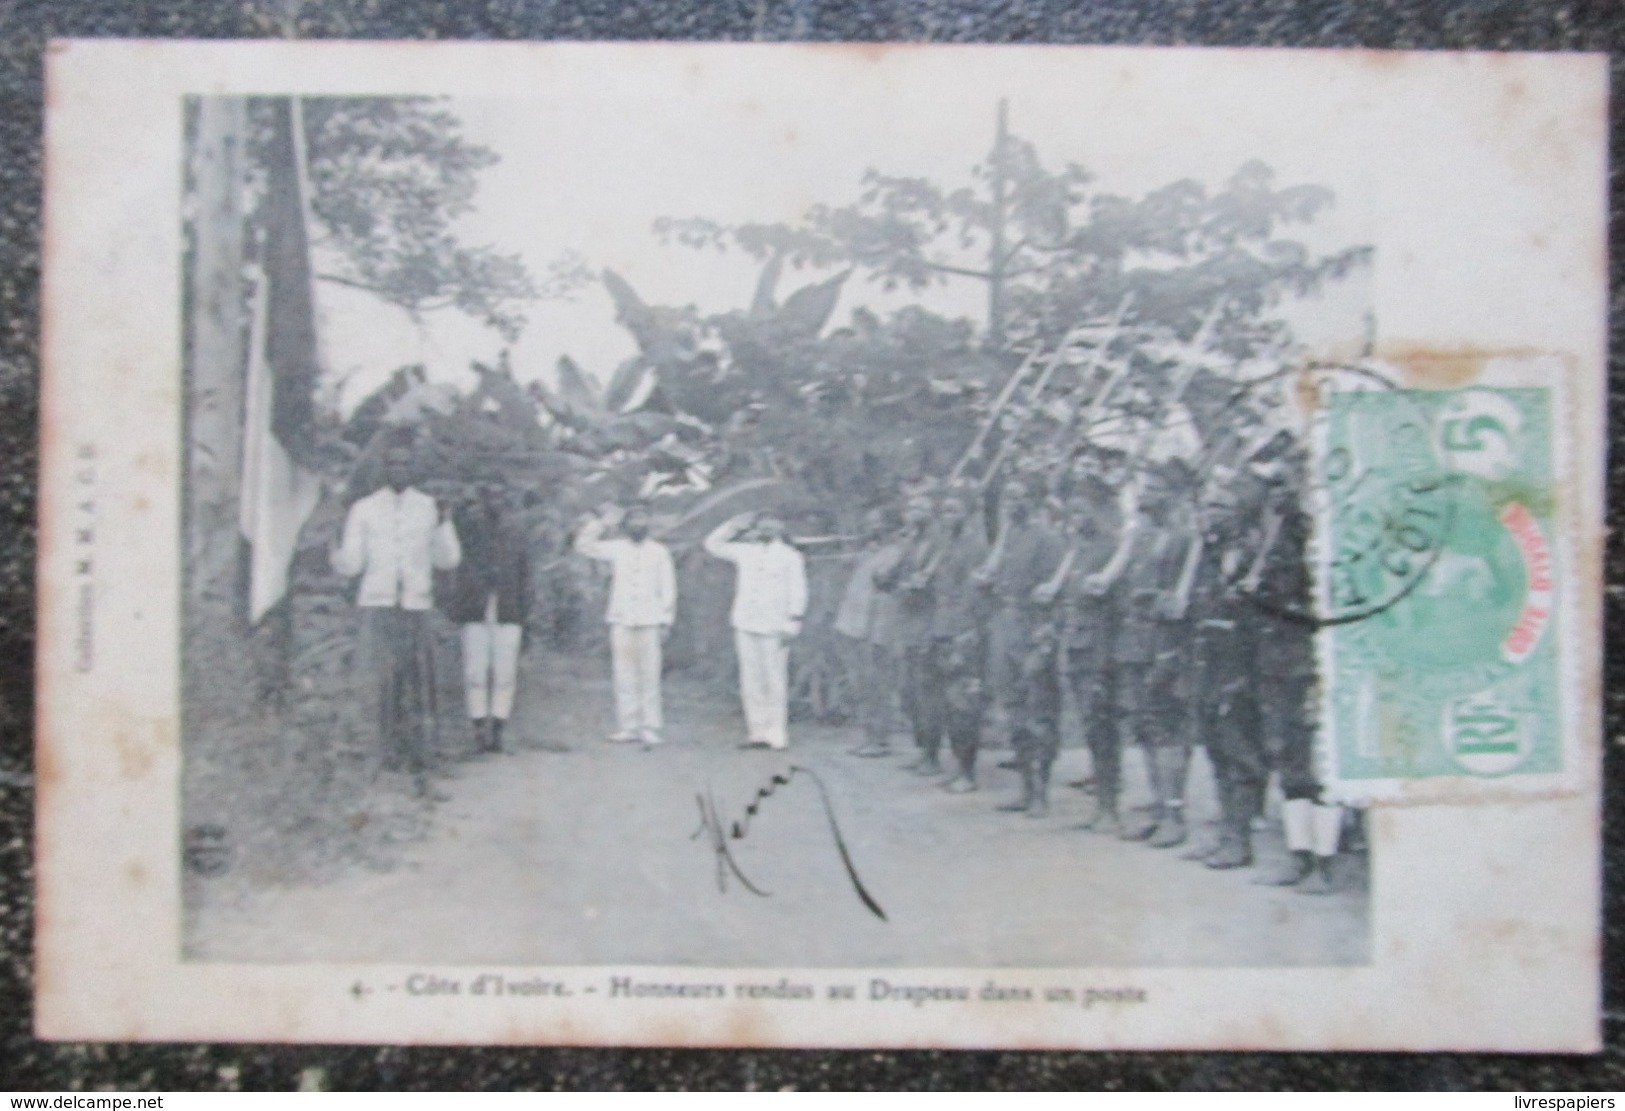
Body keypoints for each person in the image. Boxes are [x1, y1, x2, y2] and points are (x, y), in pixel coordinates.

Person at [331, 444, 462, 798]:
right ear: (384, 468)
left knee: (419, 686)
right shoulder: (365, 509)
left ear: (414, 468)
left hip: (416, 606)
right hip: (378, 605)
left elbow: (447, 560)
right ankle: (380, 763)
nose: (400, 469)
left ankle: (420, 766)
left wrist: (446, 521)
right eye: (393, 463)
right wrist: (336, 547)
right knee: (379, 684)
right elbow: (352, 564)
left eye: (406, 463)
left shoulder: (428, 507)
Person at [1244, 440, 1342, 895]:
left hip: (1315, 663)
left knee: (1321, 765)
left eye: (1287, 482)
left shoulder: (1325, 539)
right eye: (1274, 486)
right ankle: (1299, 856)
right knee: (1288, 761)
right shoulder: (1271, 539)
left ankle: (1324, 863)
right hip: (1277, 659)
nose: (1279, 494)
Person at [1104, 463, 1203, 846]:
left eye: (1154, 490)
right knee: (1145, 726)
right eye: (1144, 489)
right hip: (1135, 641)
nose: (1144, 496)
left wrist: (1169, 601)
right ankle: (1159, 807)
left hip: (1167, 644)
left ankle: (1175, 814)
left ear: (1172, 496)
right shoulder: (1139, 536)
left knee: (1169, 728)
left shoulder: (1186, 538)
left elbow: (1184, 599)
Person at [1033, 472, 1124, 832]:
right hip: (1076, 649)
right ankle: (1102, 806)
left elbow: (1114, 611)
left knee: (1102, 729)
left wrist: (1104, 663)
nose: (1076, 520)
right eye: (1072, 513)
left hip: (1099, 654)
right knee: (1091, 727)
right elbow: (1064, 601)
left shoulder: (1110, 549)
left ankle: (1109, 807)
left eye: (1083, 512)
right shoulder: (1077, 551)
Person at [975, 474, 1067, 817]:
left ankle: (1041, 793)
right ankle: (1025, 789)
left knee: (1038, 713)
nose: (1012, 504)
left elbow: (1056, 597)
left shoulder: (1047, 540)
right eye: (1008, 498)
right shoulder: (1008, 538)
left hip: (1032, 631)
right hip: (1006, 627)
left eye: (1020, 496)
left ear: (1035, 501)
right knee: (1013, 712)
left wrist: (1044, 642)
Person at [574, 502, 677, 747]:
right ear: (625, 524)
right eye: (632, 519)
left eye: (642, 519)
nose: (637, 524)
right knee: (624, 674)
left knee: (649, 674)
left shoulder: (659, 551)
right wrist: (601, 523)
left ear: (648, 523)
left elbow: (668, 588)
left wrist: (666, 620)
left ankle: (650, 727)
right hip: (621, 618)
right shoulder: (617, 548)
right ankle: (628, 726)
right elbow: (583, 546)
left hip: (650, 619)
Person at [704, 511, 808, 751]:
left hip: (775, 624)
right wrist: (732, 525)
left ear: (781, 526)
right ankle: (757, 732)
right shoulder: (745, 551)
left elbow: (798, 590)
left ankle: (776, 733)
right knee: (751, 679)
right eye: (762, 522)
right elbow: (712, 544)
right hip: (745, 621)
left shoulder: (790, 556)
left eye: (773, 522)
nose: (767, 527)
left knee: (774, 678)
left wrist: (793, 621)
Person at [448, 478, 531, 755]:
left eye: (500, 497)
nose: (495, 502)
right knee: (475, 671)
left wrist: (525, 612)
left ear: (506, 500)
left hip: (508, 609)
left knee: (505, 673)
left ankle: (497, 729)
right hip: (476, 607)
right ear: (483, 500)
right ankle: (478, 728)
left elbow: (525, 574)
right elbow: (454, 523)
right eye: (490, 497)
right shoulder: (470, 528)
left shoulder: (517, 531)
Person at [916, 485, 991, 792]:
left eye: (955, 510)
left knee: (963, 704)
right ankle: (958, 766)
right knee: (947, 703)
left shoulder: (976, 547)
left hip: (963, 631)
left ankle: (968, 772)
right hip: (940, 628)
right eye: (945, 511)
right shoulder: (943, 544)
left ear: (969, 513)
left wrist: (967, 631)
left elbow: (974, 596)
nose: (948, 517)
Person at [874, 493, 941, 774]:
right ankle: (922, 747)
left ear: (930, 512)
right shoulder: (910, 542)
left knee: (926, 690)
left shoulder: (939, 542)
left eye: (919, 507)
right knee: (908, 690)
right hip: (907, 622)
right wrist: (883, 576)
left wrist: (918, 585)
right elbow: (892, 578)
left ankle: (932, 753)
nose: (912, 512)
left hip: (929, 620)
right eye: (910, 507)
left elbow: (937, 581)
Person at [833, 506, 905, 758]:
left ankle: (880, 739)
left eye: (875, 523)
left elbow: (885, 586)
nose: (870, 528)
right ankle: (870, 736)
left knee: (877, 684)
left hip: (875, 628)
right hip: (856, 626)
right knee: (862, 684)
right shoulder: (870, 552)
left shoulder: (896, 553)